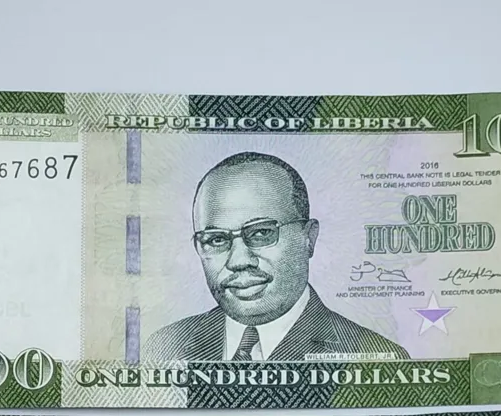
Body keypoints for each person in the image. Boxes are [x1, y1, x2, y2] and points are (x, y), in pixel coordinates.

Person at [143, 152, 409, 362]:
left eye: (261, 233)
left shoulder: (374, 355)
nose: (238, 260)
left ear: (309, 238)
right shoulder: (165, 348)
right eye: (216, 240)